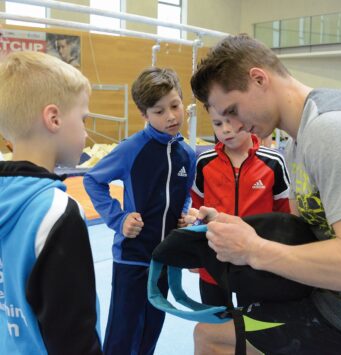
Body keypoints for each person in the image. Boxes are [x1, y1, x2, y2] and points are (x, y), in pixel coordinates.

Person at [189, 34, 341, 354]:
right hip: (327, 301)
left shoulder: (329, 130)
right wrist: (231, 227)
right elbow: (299, 234)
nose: (233, 125)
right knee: (211, 331)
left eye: (233, 109)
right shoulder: (295, 145)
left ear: (259, 79)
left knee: (213, 340)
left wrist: (254, 250)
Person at [83, 67, 196, 355]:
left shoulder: (188, 154)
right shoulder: (132, 148)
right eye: (158, 111)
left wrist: (184, 216)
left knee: (151, 329)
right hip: (132, 259)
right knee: (123, 334)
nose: (170, 116)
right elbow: (93, 179)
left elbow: (184, 194)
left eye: (174, 105)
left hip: (164, 259)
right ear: (144, 115)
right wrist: (118, 219)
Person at [0, 51, 102, 354]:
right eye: (83, 119)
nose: (85, 132)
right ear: (54, 118)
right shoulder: (57, 211)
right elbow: (73, 333)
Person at [191, 105, 290, 306]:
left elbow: (286, 216)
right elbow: (196, 213)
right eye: (217, 124)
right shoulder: (204, 163)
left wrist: (282, 257)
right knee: (217, 328)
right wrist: (195, 255)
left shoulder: (273, 162)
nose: (225, 130)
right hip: (213, 262)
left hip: (256, 264)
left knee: (255, 330)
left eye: (230, 121)